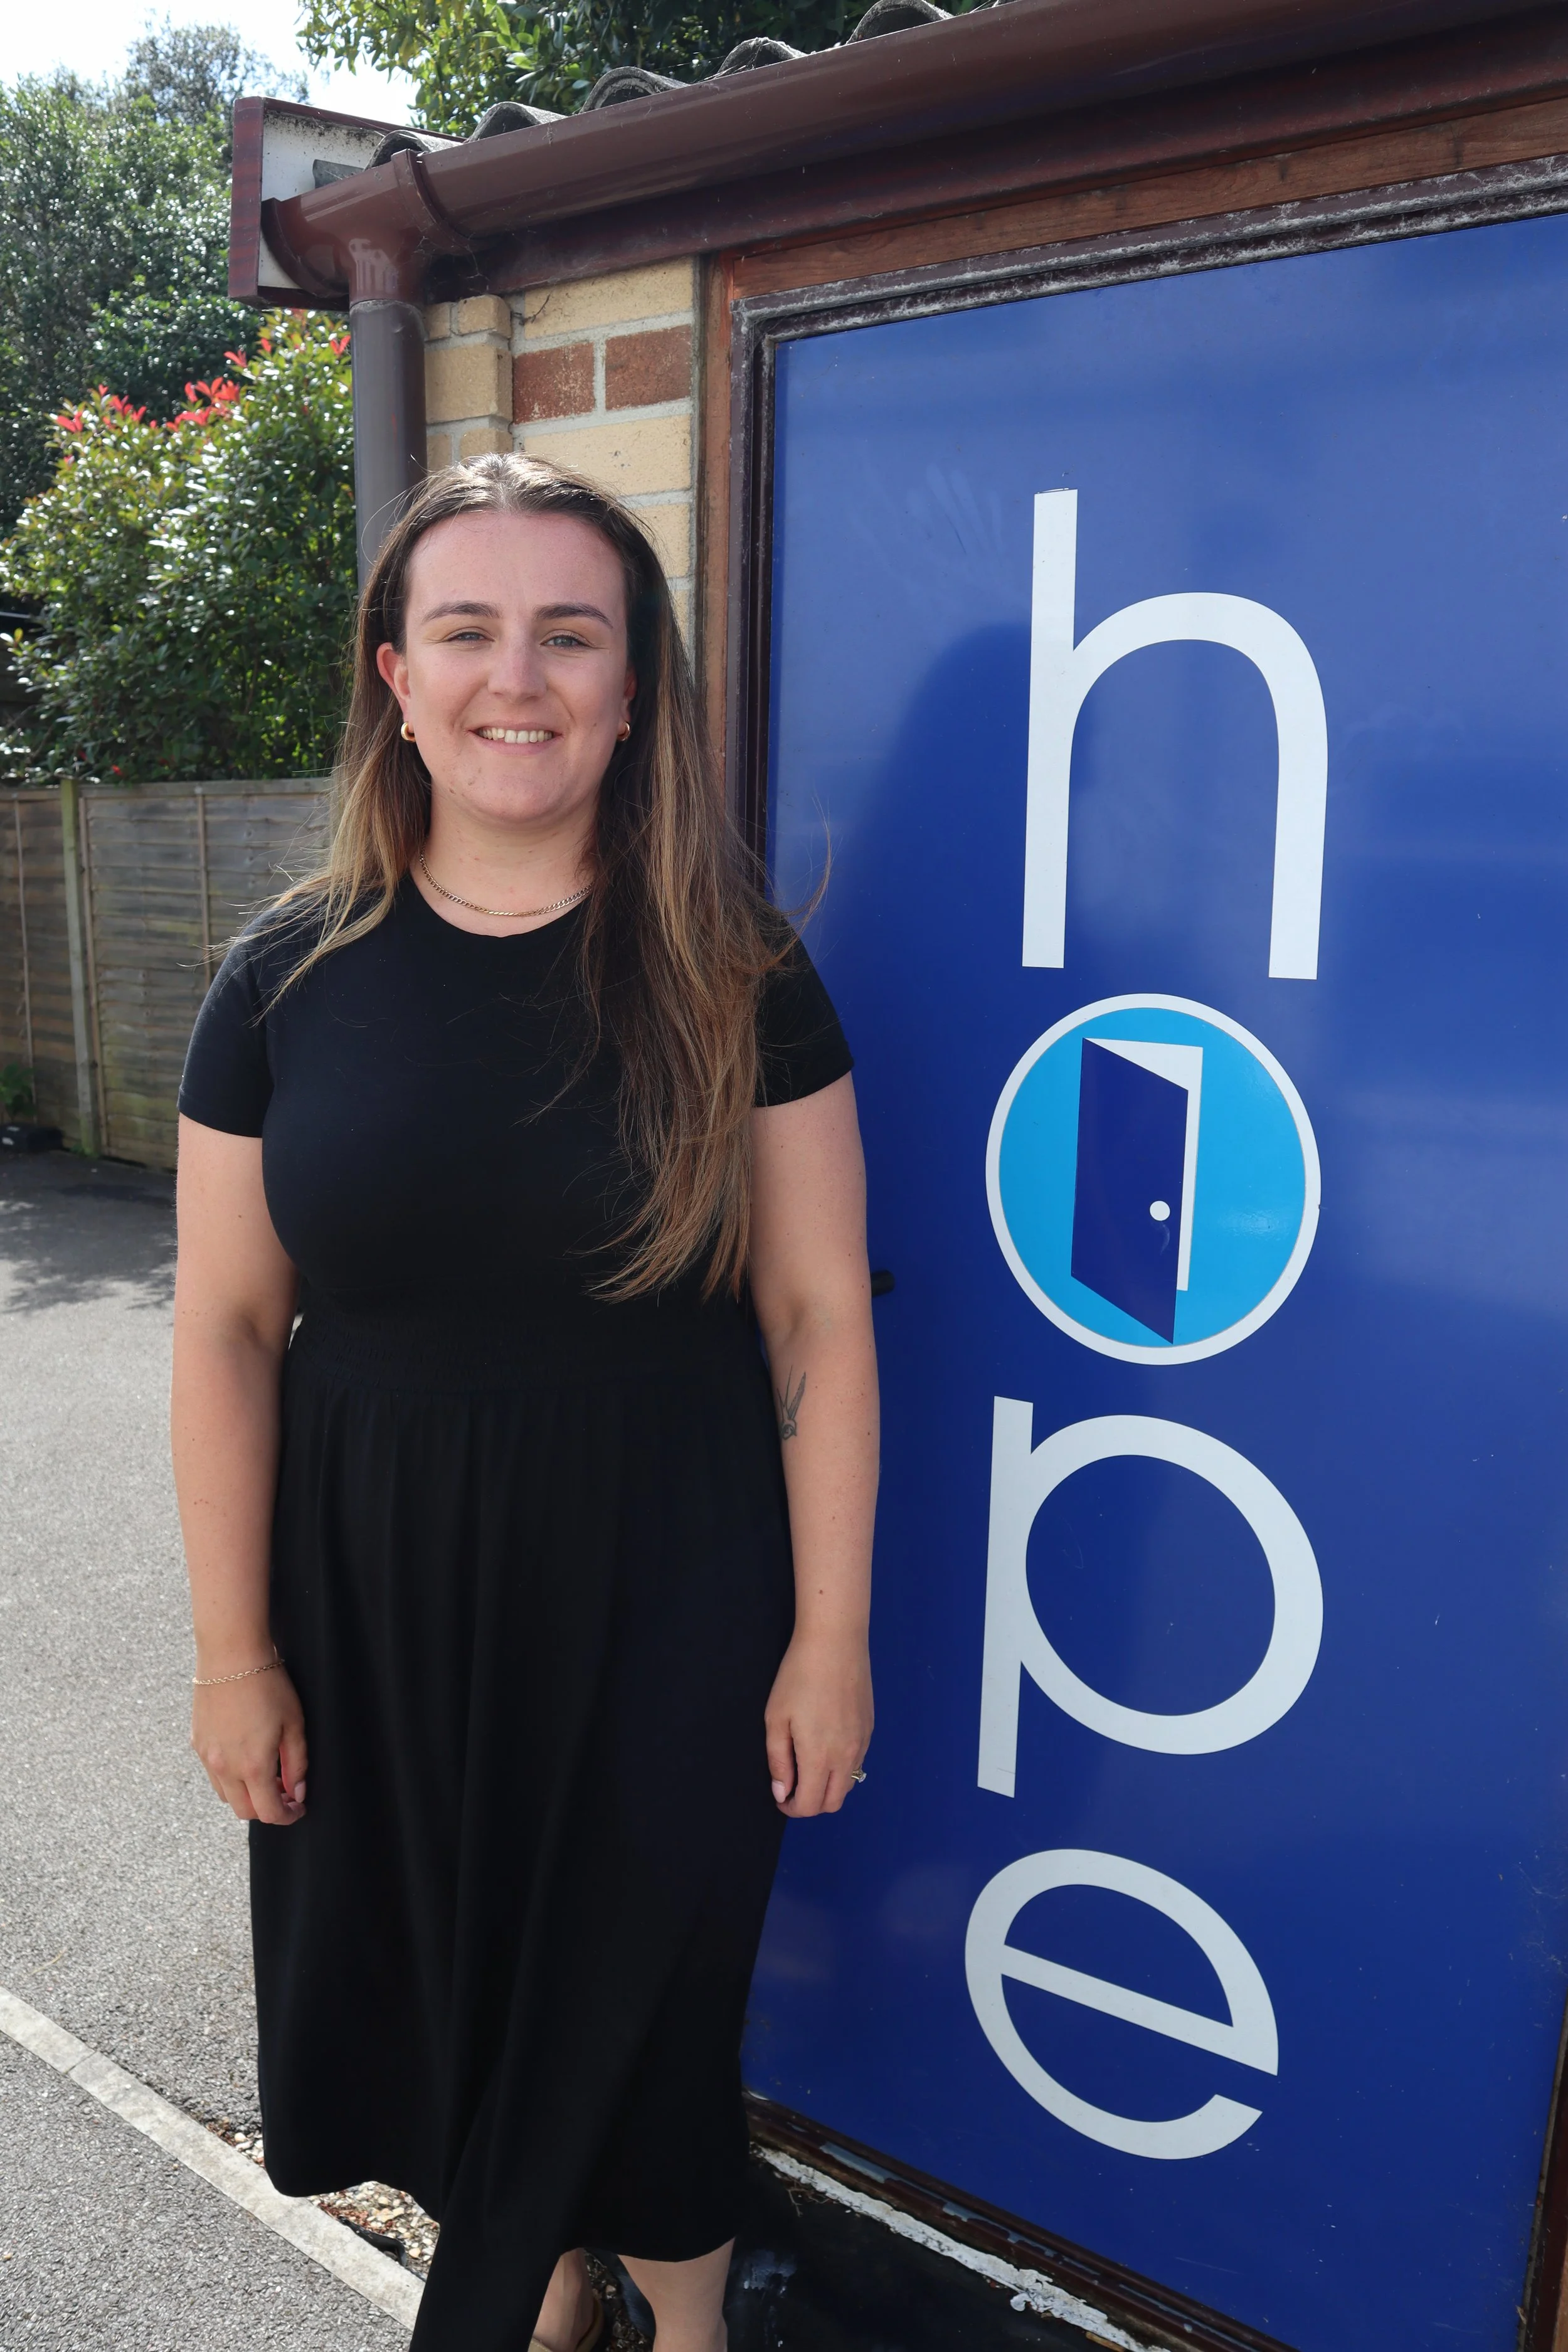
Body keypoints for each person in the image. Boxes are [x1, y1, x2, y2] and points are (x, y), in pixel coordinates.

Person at [169, 452, 877, 2352]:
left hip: (677, 1582)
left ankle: (685, 2326)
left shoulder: (736, 969)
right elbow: (225, 1327)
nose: (518, 675)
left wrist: (828, 1637)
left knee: (654, 1988)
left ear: (634, 689)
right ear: (395, 674)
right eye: (467, 628)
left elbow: (818, 1314)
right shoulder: (282, 978)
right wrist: (235, 1654)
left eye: (571, 633)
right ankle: (548, 2295)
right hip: (373, 1590)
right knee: (448, 1982)